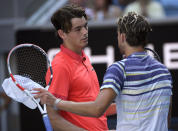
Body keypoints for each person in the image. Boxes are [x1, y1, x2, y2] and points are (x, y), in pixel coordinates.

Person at [35, 12, 173, 131]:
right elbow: (165, 120)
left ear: (123, 37)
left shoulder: (119, 69)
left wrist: (56, 102)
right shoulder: (164, 72)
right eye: (78, 29)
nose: (84, 32)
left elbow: (97, 109)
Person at [43, 4, 116, 131]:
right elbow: (53, 119)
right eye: (78, 29)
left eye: (85, 26)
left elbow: (94, 107)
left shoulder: (83, 57)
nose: (85, 32)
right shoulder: (60, 66)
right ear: (62, 34)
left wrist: (127, 105)